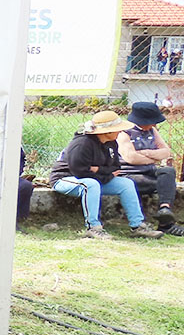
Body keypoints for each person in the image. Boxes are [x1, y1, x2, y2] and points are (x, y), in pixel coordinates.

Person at [48, 110, 164, 239]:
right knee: (90, 184)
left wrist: (98, 170)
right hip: (65, 179)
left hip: (96, 179)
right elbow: (80, 171)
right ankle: (93, 227)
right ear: (107, 131)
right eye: (117, 129)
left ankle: (138, 226)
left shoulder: (111, 143)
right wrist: (104, 173)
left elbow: (115, 167)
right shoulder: (82, 143)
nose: (120, 132)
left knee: (126, 184)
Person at [116, 101, 182, 236]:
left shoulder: (152, 130)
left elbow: (166, 152)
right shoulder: (124, 133)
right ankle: (166, 226)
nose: (153, 124)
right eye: (151, 122)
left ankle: (165, 210)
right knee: (164, 185)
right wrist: (155, 157)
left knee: (168, 172)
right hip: (130, 173)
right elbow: (131, 158)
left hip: (149, 170)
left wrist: (146, 153)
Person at [16, 147, 34, 228]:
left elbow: (21, 162)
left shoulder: (13, 143)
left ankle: (19, 218)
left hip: (9, 176)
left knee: (26, 186)